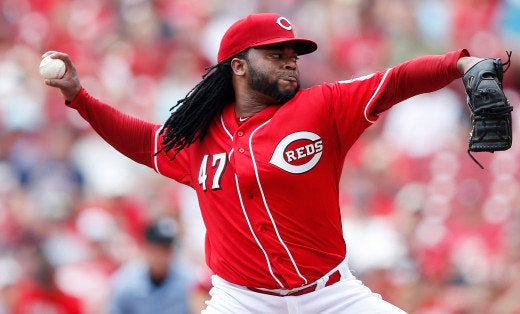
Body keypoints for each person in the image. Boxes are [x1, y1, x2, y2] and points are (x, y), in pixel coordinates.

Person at [43, 12, 489, 313]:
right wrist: (78, 97)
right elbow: (142, 140)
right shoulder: (198, 136)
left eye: (293, 56)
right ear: (238, 66)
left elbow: (396, 81)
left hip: (331, 296)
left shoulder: (322, 107)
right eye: (276, 55)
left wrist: (460, 63)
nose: (290, 64)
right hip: (242, 302)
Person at [108, 216, 196, 314]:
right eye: (156, 249)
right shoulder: (126, 281)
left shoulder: (190, 281)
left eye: (166, 250)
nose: (161, 256)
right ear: (146, 249)